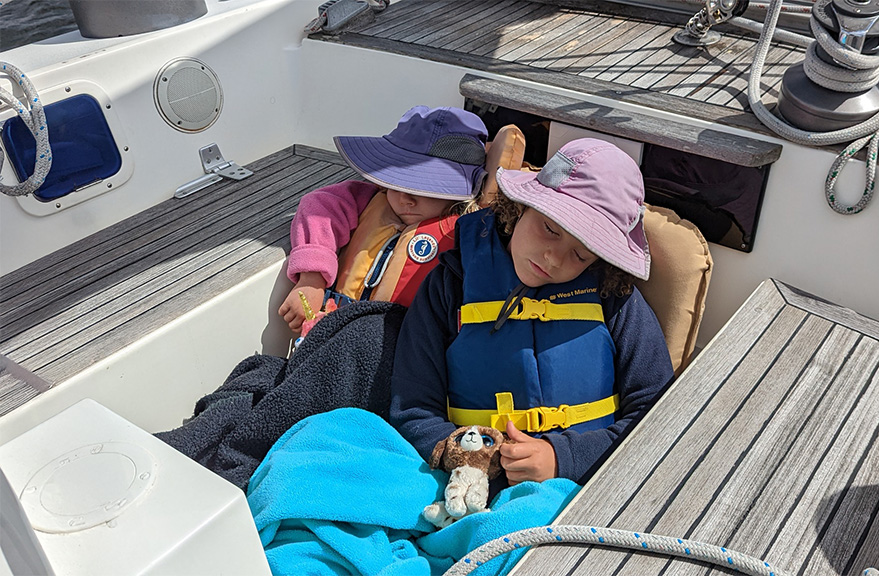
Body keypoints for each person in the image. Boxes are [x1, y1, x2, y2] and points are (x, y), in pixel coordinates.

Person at [390, 137, 675, 490]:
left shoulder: (615, 298)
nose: (553, 259)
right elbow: (412, 407)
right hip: (467, 483)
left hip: (581, 487)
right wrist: (466, 458)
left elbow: (659, 412)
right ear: (520, 207)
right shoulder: (449, 285)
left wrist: (563, 458)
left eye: (581, 255)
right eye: (550, 229)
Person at [278, 105, 487, 333]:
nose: (405, 198)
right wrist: (311, 280)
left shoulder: (471, 233)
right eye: (396, 182)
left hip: (404, 344)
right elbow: (318, 205)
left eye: (424, 188)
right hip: (338, 330)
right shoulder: (369, 198)